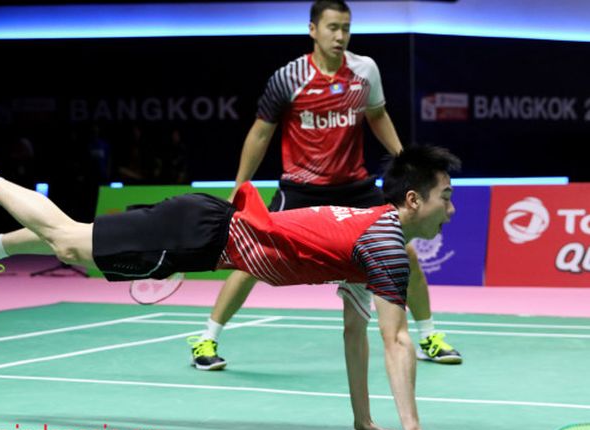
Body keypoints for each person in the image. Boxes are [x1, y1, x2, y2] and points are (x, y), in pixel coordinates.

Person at [0, 143, 458, 430]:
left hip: (206, 232)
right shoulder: (385, 245)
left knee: (82, 240)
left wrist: (364, 420)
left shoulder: (378, 230)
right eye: (446, 198)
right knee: (71, 243)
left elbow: (355, 332)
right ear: (414, 200)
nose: (452, 210)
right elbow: (397, 338)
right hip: (203, 235)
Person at [189, 0, 461, 374]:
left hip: (354, 186)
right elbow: (261, 132)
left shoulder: (364, 71)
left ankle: (429, 335)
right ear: (313, 29)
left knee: (405, 254)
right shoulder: (289, 77)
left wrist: (406, 162)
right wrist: (240, 186)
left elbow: (377, 115)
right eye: (332, 27)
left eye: (346, 28)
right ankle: (207, 338)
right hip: (301, 187)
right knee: (253, 258)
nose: (340, 35)